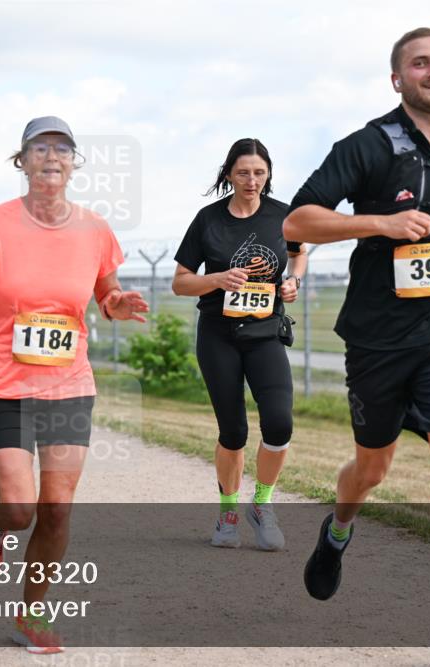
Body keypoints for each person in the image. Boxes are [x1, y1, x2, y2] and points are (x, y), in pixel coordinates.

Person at [283, 28, 430, 667]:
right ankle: (338, 530)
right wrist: (380, 222)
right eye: (420, 63)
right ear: (398, 78)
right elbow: (297, 220)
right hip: (379, 343)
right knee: (372, 469)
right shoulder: (367, 146)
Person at [0, 116, 148, 654]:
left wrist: (116, 304)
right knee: (19, 508)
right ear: (22, 161)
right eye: (40, 148)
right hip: (5, 386)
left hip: (69, 385)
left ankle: (31, 613)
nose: (52, 156)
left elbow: (107, 292)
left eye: (63, 149)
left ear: (74, 164)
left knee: (57, 508)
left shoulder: (95, 229)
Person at [172, 138, 307, 551]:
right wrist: (216, 279)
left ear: (268, 174)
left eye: (260, 172)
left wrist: (293, 280)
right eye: (244, 172)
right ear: (229, 174)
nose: (252, 180)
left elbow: (299, 254)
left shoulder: (283, 215)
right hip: (219, 335)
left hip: (265, 333)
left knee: (279, 423)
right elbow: (180, 282)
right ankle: (228, 512)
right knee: (233, 431)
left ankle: (262, 504)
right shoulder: (208, 220)